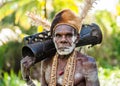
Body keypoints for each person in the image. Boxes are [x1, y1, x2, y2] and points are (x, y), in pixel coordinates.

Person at [21, 9, 100, 86]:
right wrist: (27, 79)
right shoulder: (46, 62)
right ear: (53, 38)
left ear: (77, 38)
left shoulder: (87, 63)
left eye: (68, 35)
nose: (63, 40)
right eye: (58, 36)